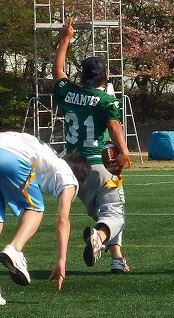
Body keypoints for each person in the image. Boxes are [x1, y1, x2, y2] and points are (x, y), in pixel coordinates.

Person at [0, 131, 91, 305]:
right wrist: (62, 260)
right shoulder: (69, 177)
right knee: (35, 208)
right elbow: (62, 220)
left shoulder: (48, 160)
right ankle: (15, 249)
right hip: (10, 155)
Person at [52, 16, 132, 274]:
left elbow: (58, 72)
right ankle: (99, 236)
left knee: (103, 212)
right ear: (105, 76)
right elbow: (114, 126)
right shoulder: (105, 100)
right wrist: (124, 152)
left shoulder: (68, 93)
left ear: (82, 76)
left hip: (71, 167)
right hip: (99, 163)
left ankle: (117, 258)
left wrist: (65, 40)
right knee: (115, 213)